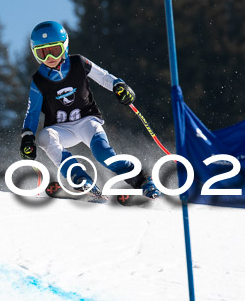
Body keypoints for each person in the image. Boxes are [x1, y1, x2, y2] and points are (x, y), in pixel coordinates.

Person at [19, 20, 161, 200]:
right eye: (42, 53)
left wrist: (119, 86)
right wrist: (27, 138)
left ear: (64, 46)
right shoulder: (38, 81)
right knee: (45, 137)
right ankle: (79, 178)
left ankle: (143, 181)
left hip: (87, 121)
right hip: (61, 129)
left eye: (54, 50)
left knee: (104, 155)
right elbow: (31, 114)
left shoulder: (78, 63)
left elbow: (103, 77)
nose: (50, 58)